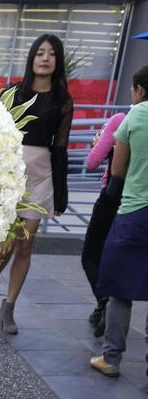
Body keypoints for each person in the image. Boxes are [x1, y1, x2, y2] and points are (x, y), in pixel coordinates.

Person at [0, 34, 73, 333]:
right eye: (40, 53)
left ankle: (9, 306)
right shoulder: (13, 93)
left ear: (58, 61)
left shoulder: (63, 101)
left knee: (26, 245)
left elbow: (61, 148)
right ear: (31, 58)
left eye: (52, 53)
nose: (45, 58)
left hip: (41, 176)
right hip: (10, 175)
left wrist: (60, 194)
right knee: (5, 244)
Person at [90, 67, 148, 378]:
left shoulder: (134, 118)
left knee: (120, 290)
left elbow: (118, 171)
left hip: (135, 213)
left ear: (139, 89)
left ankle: (111, 358)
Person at [80, 105, 130, 335]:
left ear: (139, 91)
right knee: (118, 258)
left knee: (91, 254)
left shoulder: (122, 119)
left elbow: (93, 161)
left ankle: (104, 302)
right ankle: (103, 309)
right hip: (137, 203)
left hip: (112, 197)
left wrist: (100, 142)